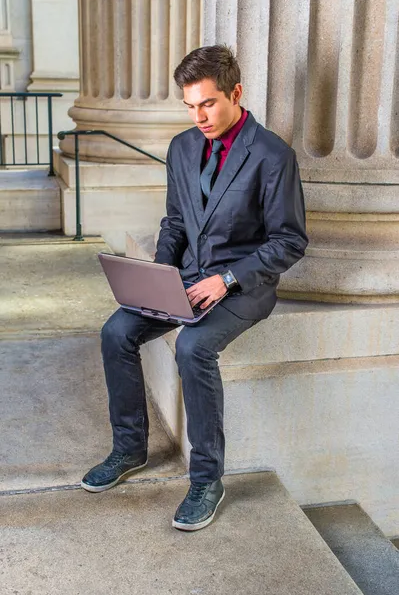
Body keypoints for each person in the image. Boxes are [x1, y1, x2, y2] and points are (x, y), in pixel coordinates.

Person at [81, 45, 308, 531]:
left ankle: (207, 478)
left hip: (245, 286)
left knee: (193, 347)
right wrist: (159, 277)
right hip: (183, 280)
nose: (198, 115)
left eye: (207, 103)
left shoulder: (272, 155)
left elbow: (290, 241)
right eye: (190, 105)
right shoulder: (182, 147)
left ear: (236, 94)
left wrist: (226, 279)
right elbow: (177, 221)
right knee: (114, 332)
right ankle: (128, 449)